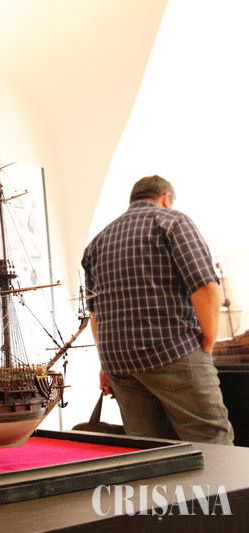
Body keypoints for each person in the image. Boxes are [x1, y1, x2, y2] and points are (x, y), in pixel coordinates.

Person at [81, 175, 233, 444]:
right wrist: (208, 342)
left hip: (119, 363)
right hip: (172, 350)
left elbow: (95, 313)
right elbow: (205, 286)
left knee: (146, 449)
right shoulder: (172, 221)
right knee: (211, 441)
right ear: (166, 198)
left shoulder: (97, 242)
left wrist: (106, 363)